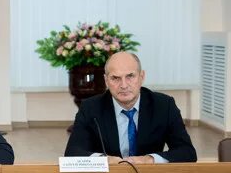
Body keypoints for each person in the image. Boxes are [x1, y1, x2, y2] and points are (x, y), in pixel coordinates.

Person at [64, 52, 197, 164]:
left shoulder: (163, 105)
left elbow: (187, 152)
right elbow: (72, 153)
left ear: (141, 77)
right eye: (115, 78)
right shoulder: (91, 108)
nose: (123, 85)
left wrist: (149, 159)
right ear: (106, 81)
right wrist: (105, 160)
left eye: (130, 76)